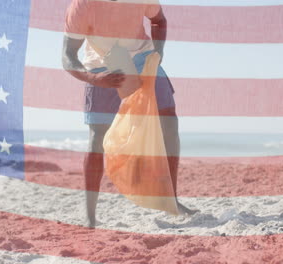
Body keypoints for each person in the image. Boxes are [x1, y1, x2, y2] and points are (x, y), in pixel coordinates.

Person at [62, 0, 198, 228]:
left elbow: (159, 20)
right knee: (97, 138)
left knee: (169, 123)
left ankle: (172, 200)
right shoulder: (83, 5)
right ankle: (90, 215)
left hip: (142, 58)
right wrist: (94, 79)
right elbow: (68, 56)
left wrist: (159, 51)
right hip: (101, 66)